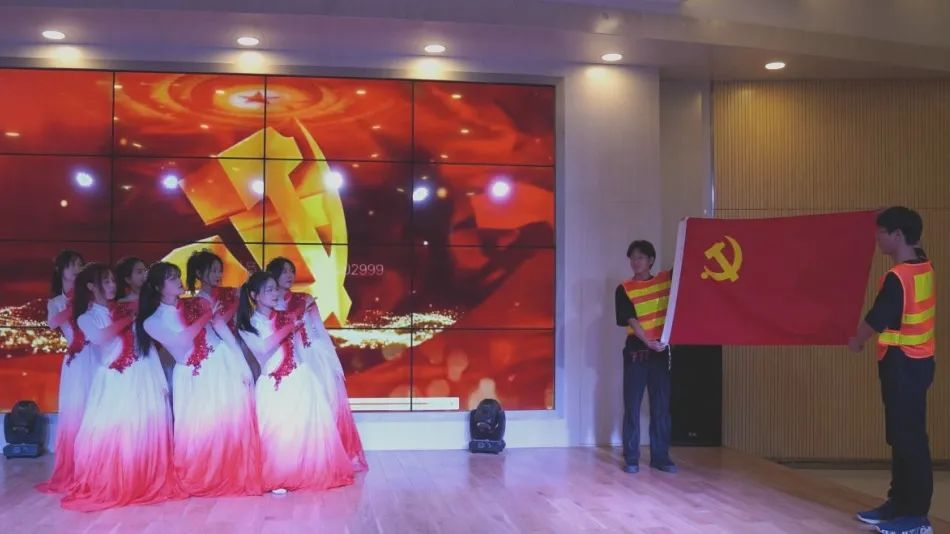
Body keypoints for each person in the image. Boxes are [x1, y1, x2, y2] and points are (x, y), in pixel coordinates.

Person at [61, 263, 182, 511]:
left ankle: (144, 479)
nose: (112, 286)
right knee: (117, 432)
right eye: (105, 281)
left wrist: (159, 379)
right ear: (91, 286)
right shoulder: (87, 317)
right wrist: (129, 318)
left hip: (143, 374)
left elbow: (146, 347)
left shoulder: (126, 309)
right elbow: (100, 337)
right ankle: (117, 481)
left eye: (113, 281)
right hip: (115, 381)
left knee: (143, 428)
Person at [140, 262, 263, 497]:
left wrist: (242, 365)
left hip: (221, 363)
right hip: (193, 377)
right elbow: (181, 341)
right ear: (158, 287)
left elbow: (222, 330)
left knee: (229, 422)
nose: (178, 280)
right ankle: (203, 478)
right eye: (171, 278)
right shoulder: (151, 321)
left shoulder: (197, 303)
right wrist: (207, 315)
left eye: (178, 276)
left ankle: (230, 475)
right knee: (198, 430)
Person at [849, 207, 935, 534]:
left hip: (904, 364)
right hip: (915, 362)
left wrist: (857, 340)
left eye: (881, 232)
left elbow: (877, 318)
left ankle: (916, 516)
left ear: (897, 235)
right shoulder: (923, 266)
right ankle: (898, 503)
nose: (877, 238)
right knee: (901, 437)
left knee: (909, 440)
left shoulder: (899, 277)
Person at [237, 271, 354, 494]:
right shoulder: (248, 324)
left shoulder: (285, 316)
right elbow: (263, 349)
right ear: (254, 295)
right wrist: (289, 327)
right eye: (269, 290)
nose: (275, 293)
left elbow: (302, 345)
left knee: (302, 430)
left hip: (298, 377)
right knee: (277, 433)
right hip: (273, 384)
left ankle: (303, 473)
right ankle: (278, 477)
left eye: (275, 289)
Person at [266, 256, 367, 471]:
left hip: (312, 354)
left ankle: (328, 457)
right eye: (284, 271)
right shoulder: (269, 303)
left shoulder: (305, 298)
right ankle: (299, 458)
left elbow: (318, 329)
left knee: (325, 402)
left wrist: (330, 358)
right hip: (285, 358)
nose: (290, 275)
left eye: (292, 271)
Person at [36, 250, 98, 494]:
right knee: (77, 412)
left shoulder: (93, 295)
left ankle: (99, 468)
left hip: (98, 354)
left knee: (98, 408)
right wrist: (75, 304)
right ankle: (77, 470)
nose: (77, 269)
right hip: (77, 359)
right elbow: (53, 323)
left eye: (80, 264)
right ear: (60, 270)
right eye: (72, 265)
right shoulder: (56, 302)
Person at [614, 240, 676, 474]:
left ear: (651, 260)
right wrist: (647, 341)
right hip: (637, 351)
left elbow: (686, 265)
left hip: (660, 350)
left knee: (661, 406)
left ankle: (661, 457)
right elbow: (631, 320)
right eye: (632, 258)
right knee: (632, 405)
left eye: (640, 257)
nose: (635, 262)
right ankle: (631, 458)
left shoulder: (665, 281)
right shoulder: (624, 288)